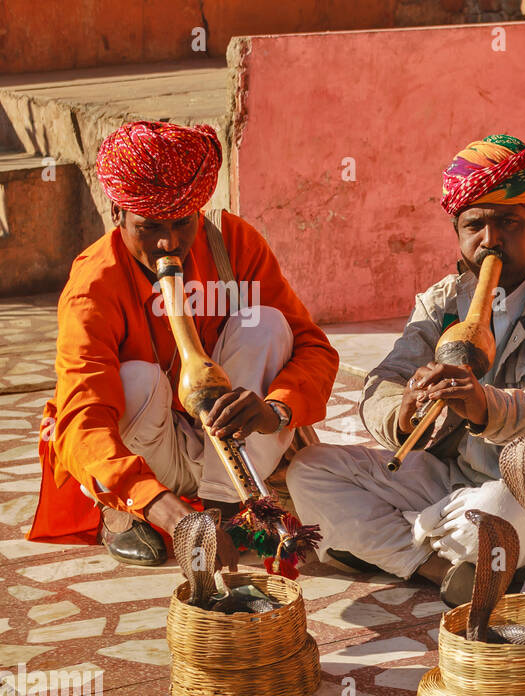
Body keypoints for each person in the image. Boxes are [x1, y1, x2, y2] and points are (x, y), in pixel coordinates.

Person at [286, 134, 525, 600]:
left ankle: (402, 544)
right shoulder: (443, 300)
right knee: (311, 471)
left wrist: (490, 408)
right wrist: (403, 411)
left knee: (500, 511)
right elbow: (382, 382)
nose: (490, 239)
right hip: (454, 478)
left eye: (508, 222)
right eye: (474, 225)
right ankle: (441, 568)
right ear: (458, 233)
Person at [28, 120, 339, 568]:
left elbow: (314, 348)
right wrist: (167, 511)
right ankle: (122, 510)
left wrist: (277, 409)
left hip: (231, 441)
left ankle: (229, 507)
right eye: (150, 227)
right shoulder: (93, 285)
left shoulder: (233, 244)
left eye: (181, 223)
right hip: (152, 449)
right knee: (135, 378)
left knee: (266, 324)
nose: (168, 243)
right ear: (117, 215)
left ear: (199, 211)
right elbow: (85, 416)